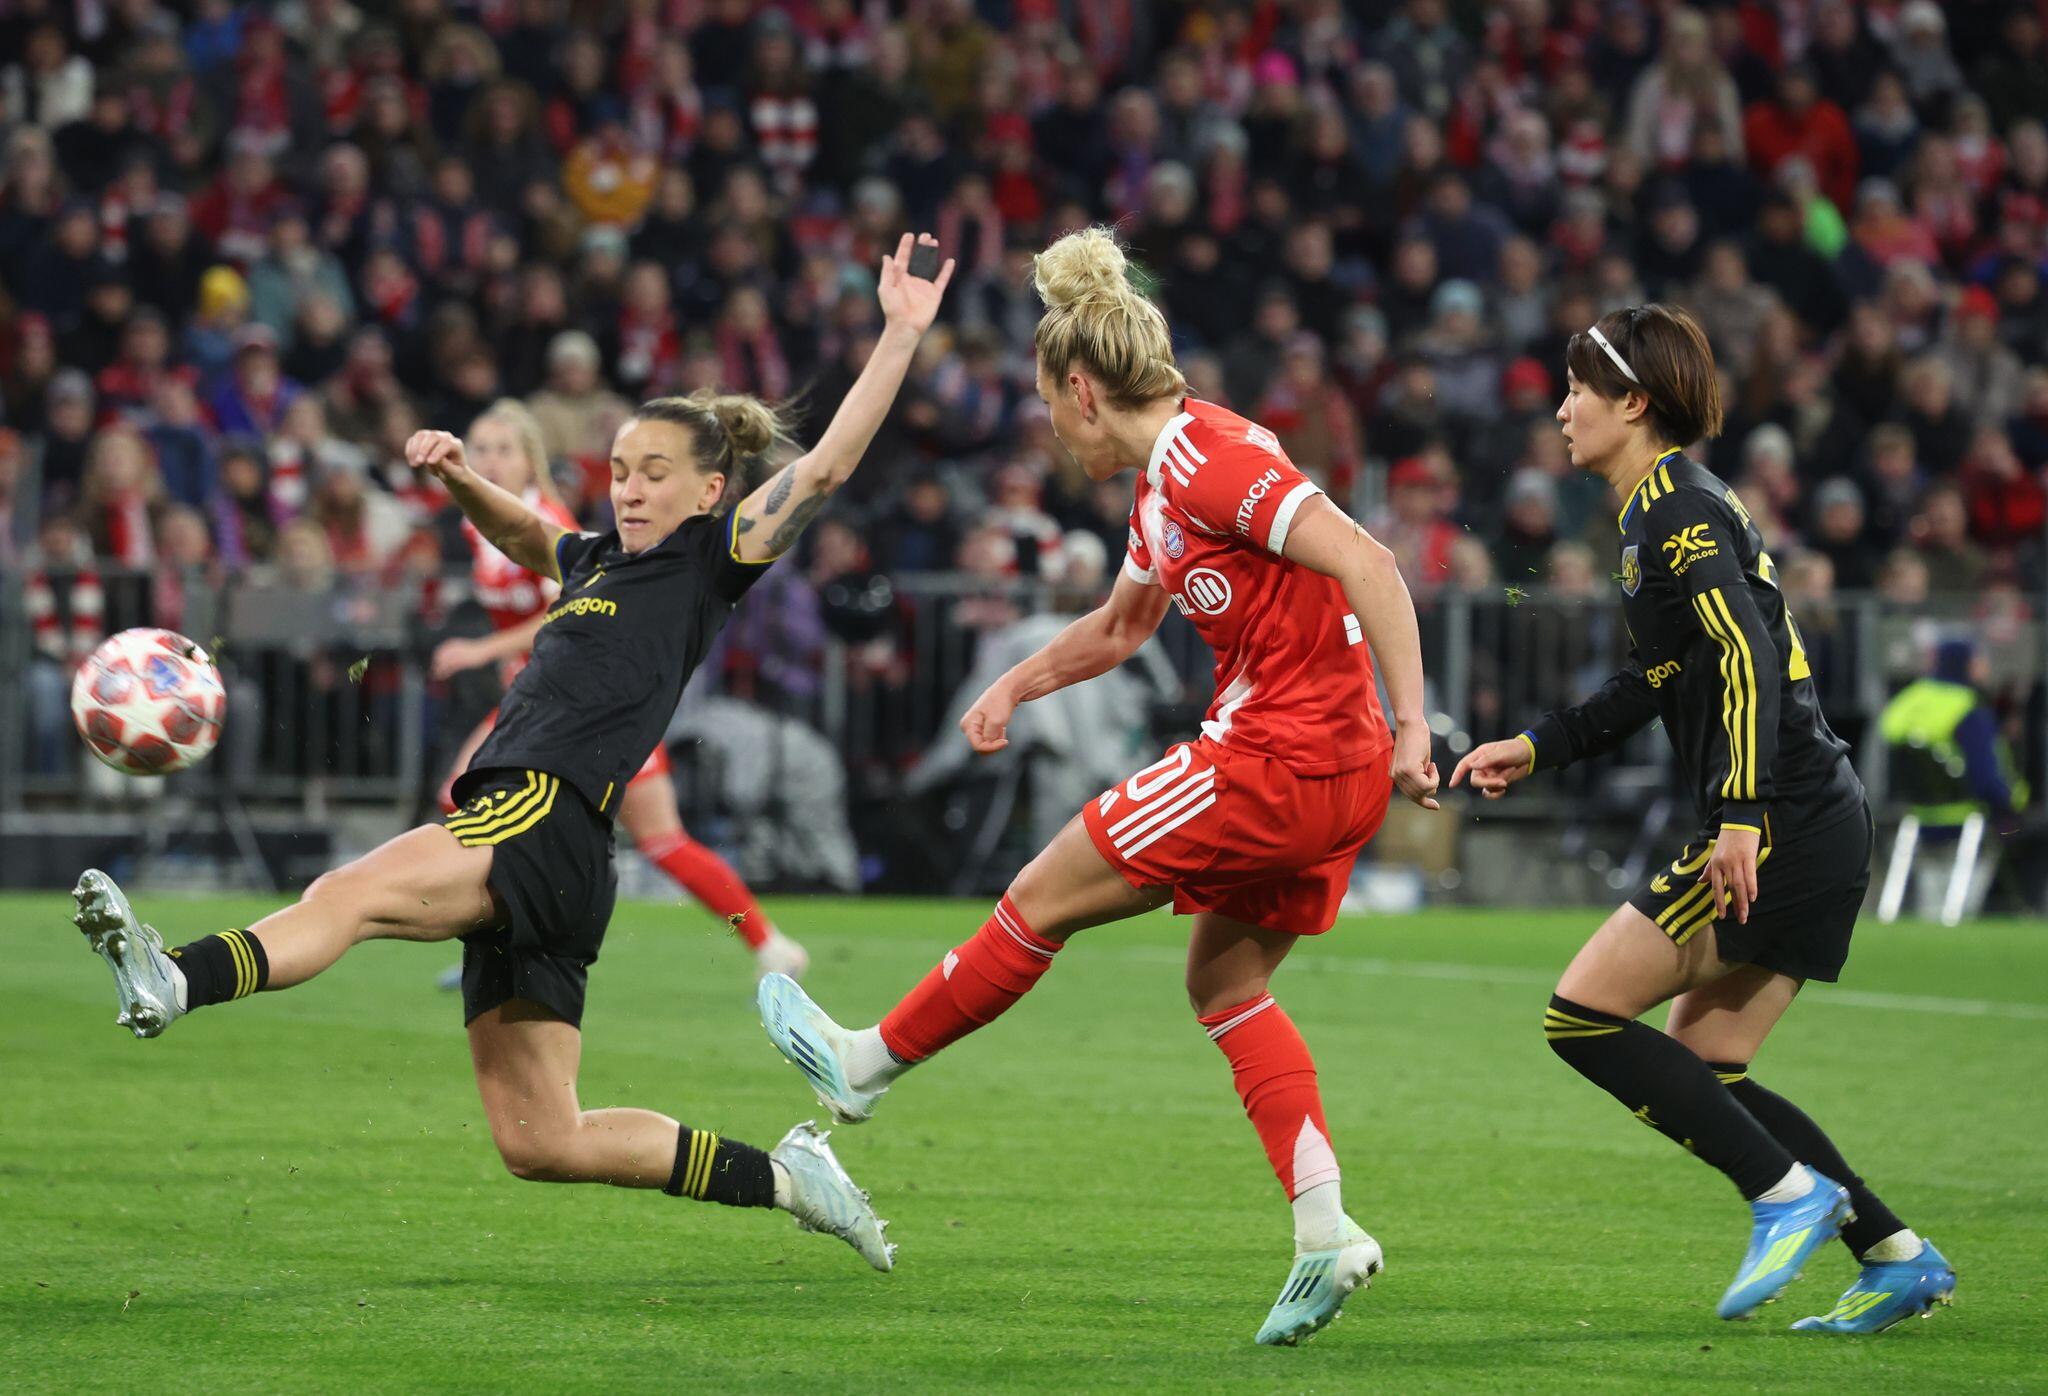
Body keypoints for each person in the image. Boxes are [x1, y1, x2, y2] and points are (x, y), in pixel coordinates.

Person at [69, 232, 956, 1272]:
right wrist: (457, 477)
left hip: (540, 809)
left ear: (711, 491)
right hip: (565, 854)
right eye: (618, 471)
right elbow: (528, 537)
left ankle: (173, 977)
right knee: (544, 1141)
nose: (629, 490)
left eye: (655, 474)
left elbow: (828, 465)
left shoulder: (708, 562)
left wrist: (899, 335)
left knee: (348, 893)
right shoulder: (594, 560)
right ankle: (792, 1179)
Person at [755, 227, 1440, 1347]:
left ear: (1082, 391)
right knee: (1224, 986)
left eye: (1046, 407)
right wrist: (1011, 685)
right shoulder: (1166, 487)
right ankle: (1324, 1232)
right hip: (1329, 774)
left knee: (1039, 894)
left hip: (1280, 760)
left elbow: (1370, 561)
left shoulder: (1209, 460)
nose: (1048, 430)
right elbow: (1122, 627)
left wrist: (1415, 724)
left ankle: (861, 1065)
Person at [1450, 304, 1955, 1334]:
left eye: (1577, 390)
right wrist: (1539, 745)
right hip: (1811, 814)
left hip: (1781, 819)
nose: (1562, 410)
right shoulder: (1660, 511)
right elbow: (1658, 678)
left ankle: (1786, 1195)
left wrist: (1738, 816)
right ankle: (1895, 1255)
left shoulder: (1677, 512)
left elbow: (1745, 656)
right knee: (1708, 1069)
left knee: (1580, 1015)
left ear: (1633, 402)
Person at [428, 397, 808, 982]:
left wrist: (482, 650)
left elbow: (571, 607)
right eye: (481, 449)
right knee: (469, 799)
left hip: (597, 706)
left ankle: (766, 941)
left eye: (503, 449)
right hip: (543, 708)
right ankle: (502, 934)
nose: (491, 460)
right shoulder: (478, 525)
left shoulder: (548, 520)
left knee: (660, 842)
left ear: (530, 459)